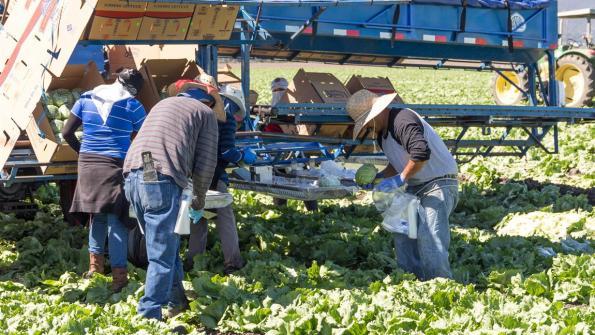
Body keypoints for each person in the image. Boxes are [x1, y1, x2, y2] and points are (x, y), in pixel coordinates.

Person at [123, 77, 225, 320]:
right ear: (208, 104)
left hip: (134, 173)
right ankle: (148, 313)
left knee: (165, 245)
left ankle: (177, 301)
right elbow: (206, 162)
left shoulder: (162, 105)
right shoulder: (205, 114)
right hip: (160, 178)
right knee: (161, 253)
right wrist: (199, 200)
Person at [346, 89, 459, 281]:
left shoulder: (402, 119)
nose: (369, 129)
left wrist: (400, 179)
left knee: (429, 236)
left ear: (377, 114)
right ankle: (411, 280)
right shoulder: (383, 136)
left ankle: (440, 284)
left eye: (368, 123)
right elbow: (398, 162)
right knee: (403, 232)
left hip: (438, 184)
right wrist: (380, 178)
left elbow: (420, 154)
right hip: (415, 186)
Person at [62, 68, 145, 292]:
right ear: (134, 90)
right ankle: (119, 278)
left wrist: (83, 153)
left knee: (97, 218)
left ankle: (95, 269)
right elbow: (143, 139)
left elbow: (66, 132)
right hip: (115, 165)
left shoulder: (86, 99)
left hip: (88, 164)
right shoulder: (133, 106)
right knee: (116, 220)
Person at [186, 84, 255, 274]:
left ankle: (193, 261)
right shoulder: (228, 119)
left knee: (198, 216)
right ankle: (232, 262)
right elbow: (226, 151)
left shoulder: (200, 115)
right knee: (225, 217)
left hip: (193, 173)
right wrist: (242, 156)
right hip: (215, 174)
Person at [265, 77, 318, 211]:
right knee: (279, 180)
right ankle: (283, 210)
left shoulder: (293, 109)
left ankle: (312, 210)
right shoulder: (271, 112)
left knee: (303, 178)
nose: (278, 93)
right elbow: (284, 132)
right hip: (276, 151)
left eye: (282, 90)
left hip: (293, 150)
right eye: (276, 90)